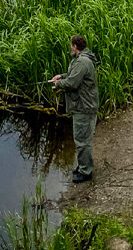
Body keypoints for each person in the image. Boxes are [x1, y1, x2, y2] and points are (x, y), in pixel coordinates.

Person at [49, 34, 99, 183]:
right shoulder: (81, 60)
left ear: (75, 47)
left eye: (71, 45)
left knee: (82, 140)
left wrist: (58, 84)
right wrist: (60, 76)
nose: (70, 48)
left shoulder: (83, 61)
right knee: (81, 139)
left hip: (84, 107)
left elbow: (72, 83)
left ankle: (86, 172)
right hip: (82, 106)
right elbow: (73, 75)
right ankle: (84, 166)